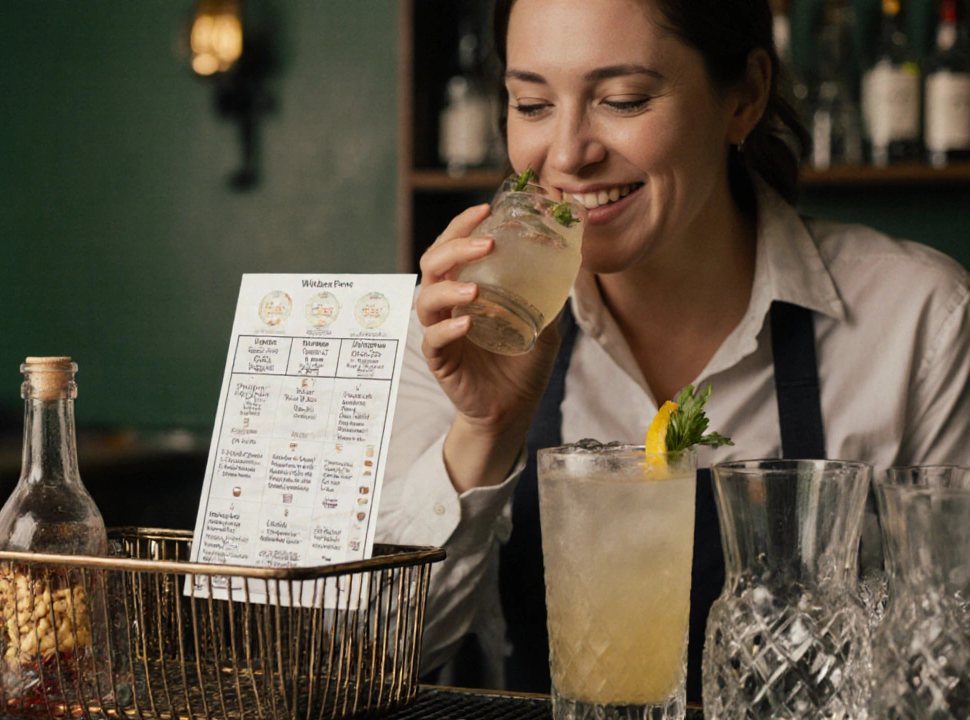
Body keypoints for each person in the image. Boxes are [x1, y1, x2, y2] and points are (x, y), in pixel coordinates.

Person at [377, 0, 970, 701]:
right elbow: (371, 659)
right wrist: (485, 431)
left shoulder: (919, 319)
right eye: (532, 104)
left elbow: (950, 664)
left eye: (623, 100)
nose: (566, 154)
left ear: (744, 97)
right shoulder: (455, 327)